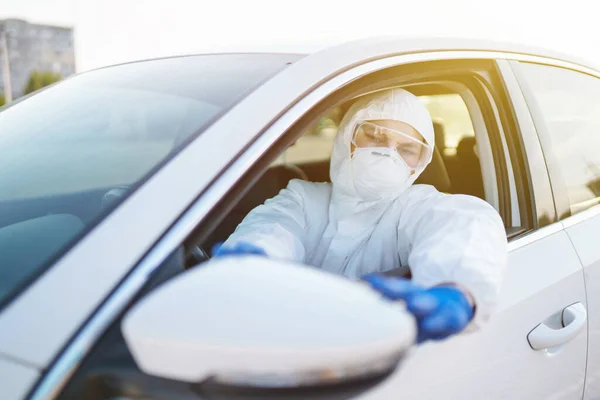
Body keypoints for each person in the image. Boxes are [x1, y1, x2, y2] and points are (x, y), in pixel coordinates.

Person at [214, 88, 507, 343]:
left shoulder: (414, 206)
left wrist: (458, 286)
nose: (387, 153)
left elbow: (467, 221)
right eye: (375, 136)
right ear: (348, 137)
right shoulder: (303, 198)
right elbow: (273, 228)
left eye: (406, 148)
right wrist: (252, 265)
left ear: (421, 162)